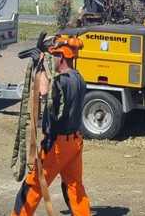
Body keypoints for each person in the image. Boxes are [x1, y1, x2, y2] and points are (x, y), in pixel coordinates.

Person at [12, 35, 91, 216]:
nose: (52, 60)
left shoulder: (63, 81)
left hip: (57, 146)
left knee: (33, 185)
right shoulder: (79, 78)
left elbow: (44, 91)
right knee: (74, 186)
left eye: (54, 56)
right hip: (75, 143)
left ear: (61, 57)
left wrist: (39, 64)